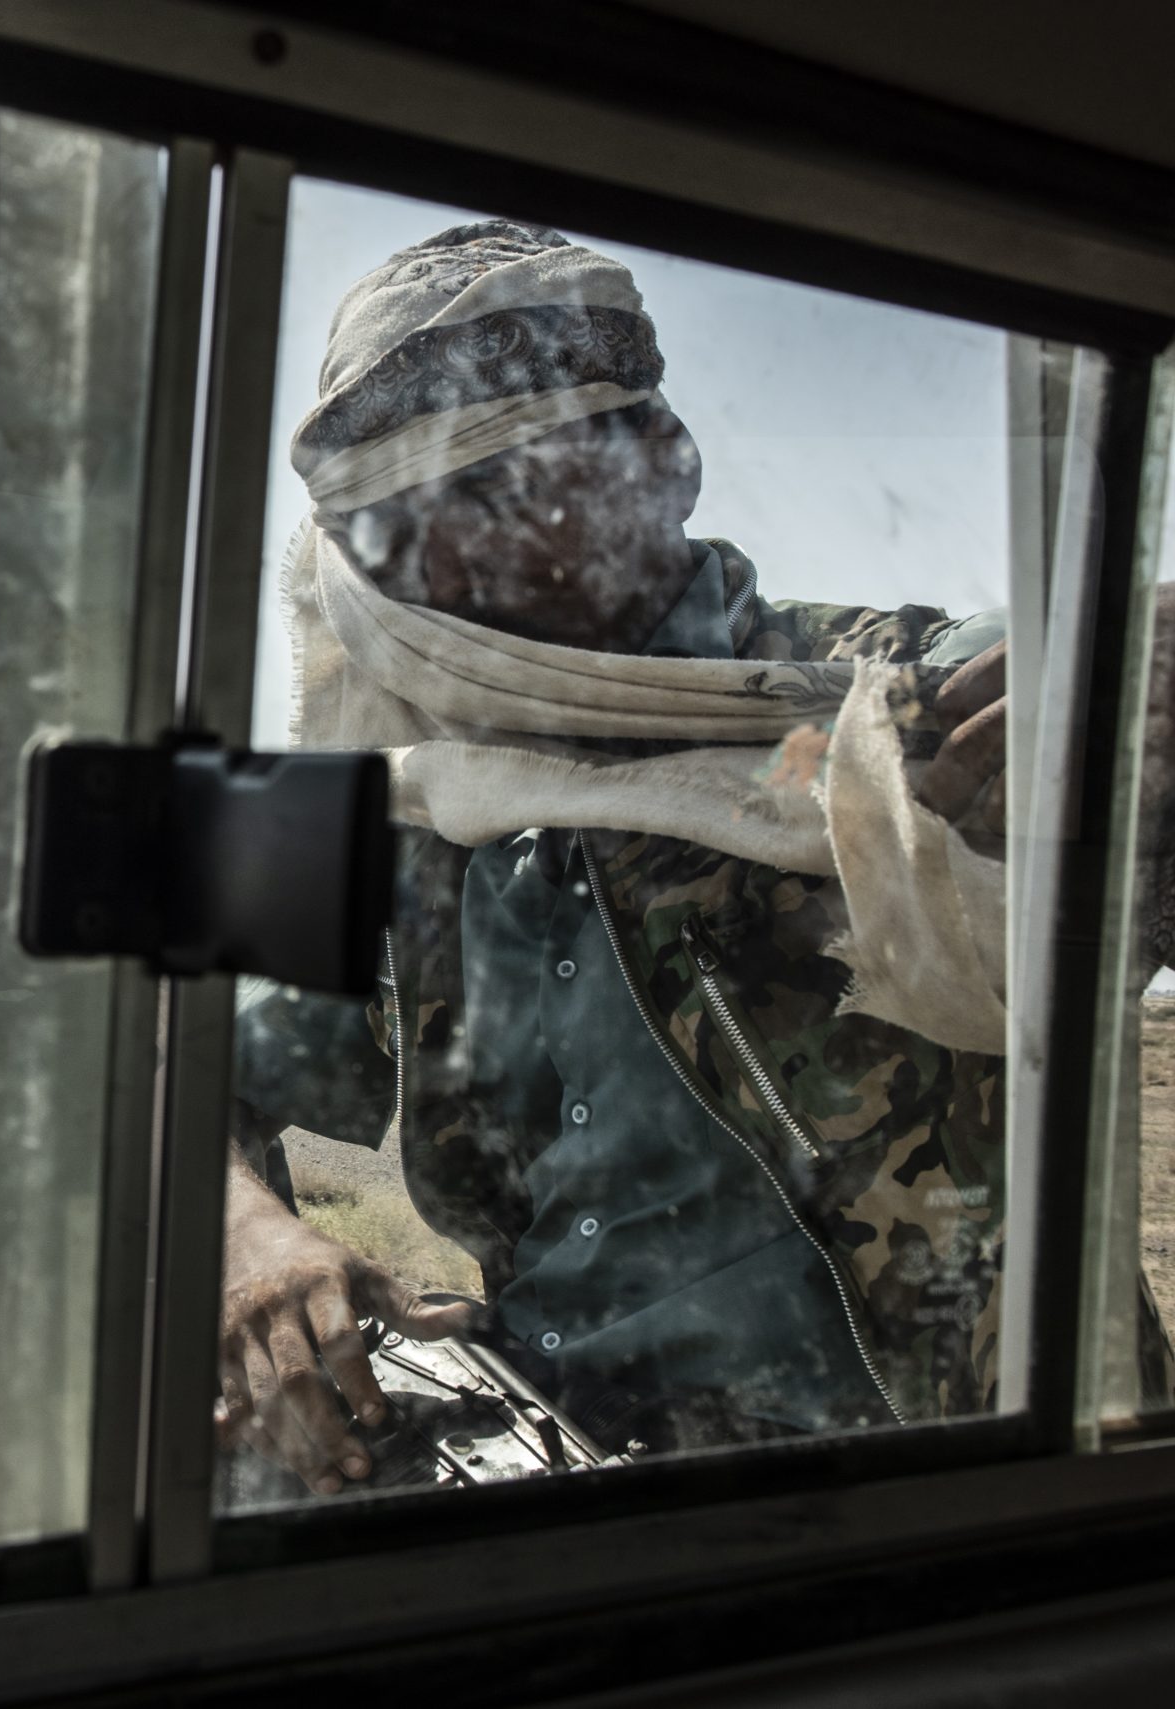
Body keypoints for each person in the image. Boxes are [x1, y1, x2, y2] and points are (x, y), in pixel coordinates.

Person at [211, 220, 1165, 1495]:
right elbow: (189, 1075)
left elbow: (1090, 742)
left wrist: (1129, 729)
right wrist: (249, 1234)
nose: (459, 570)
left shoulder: (910, 714)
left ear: (664, 462)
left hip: (948, 1498)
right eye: (404, 530)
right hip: (564, 1470)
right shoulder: (418, 809)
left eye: (510, 491)